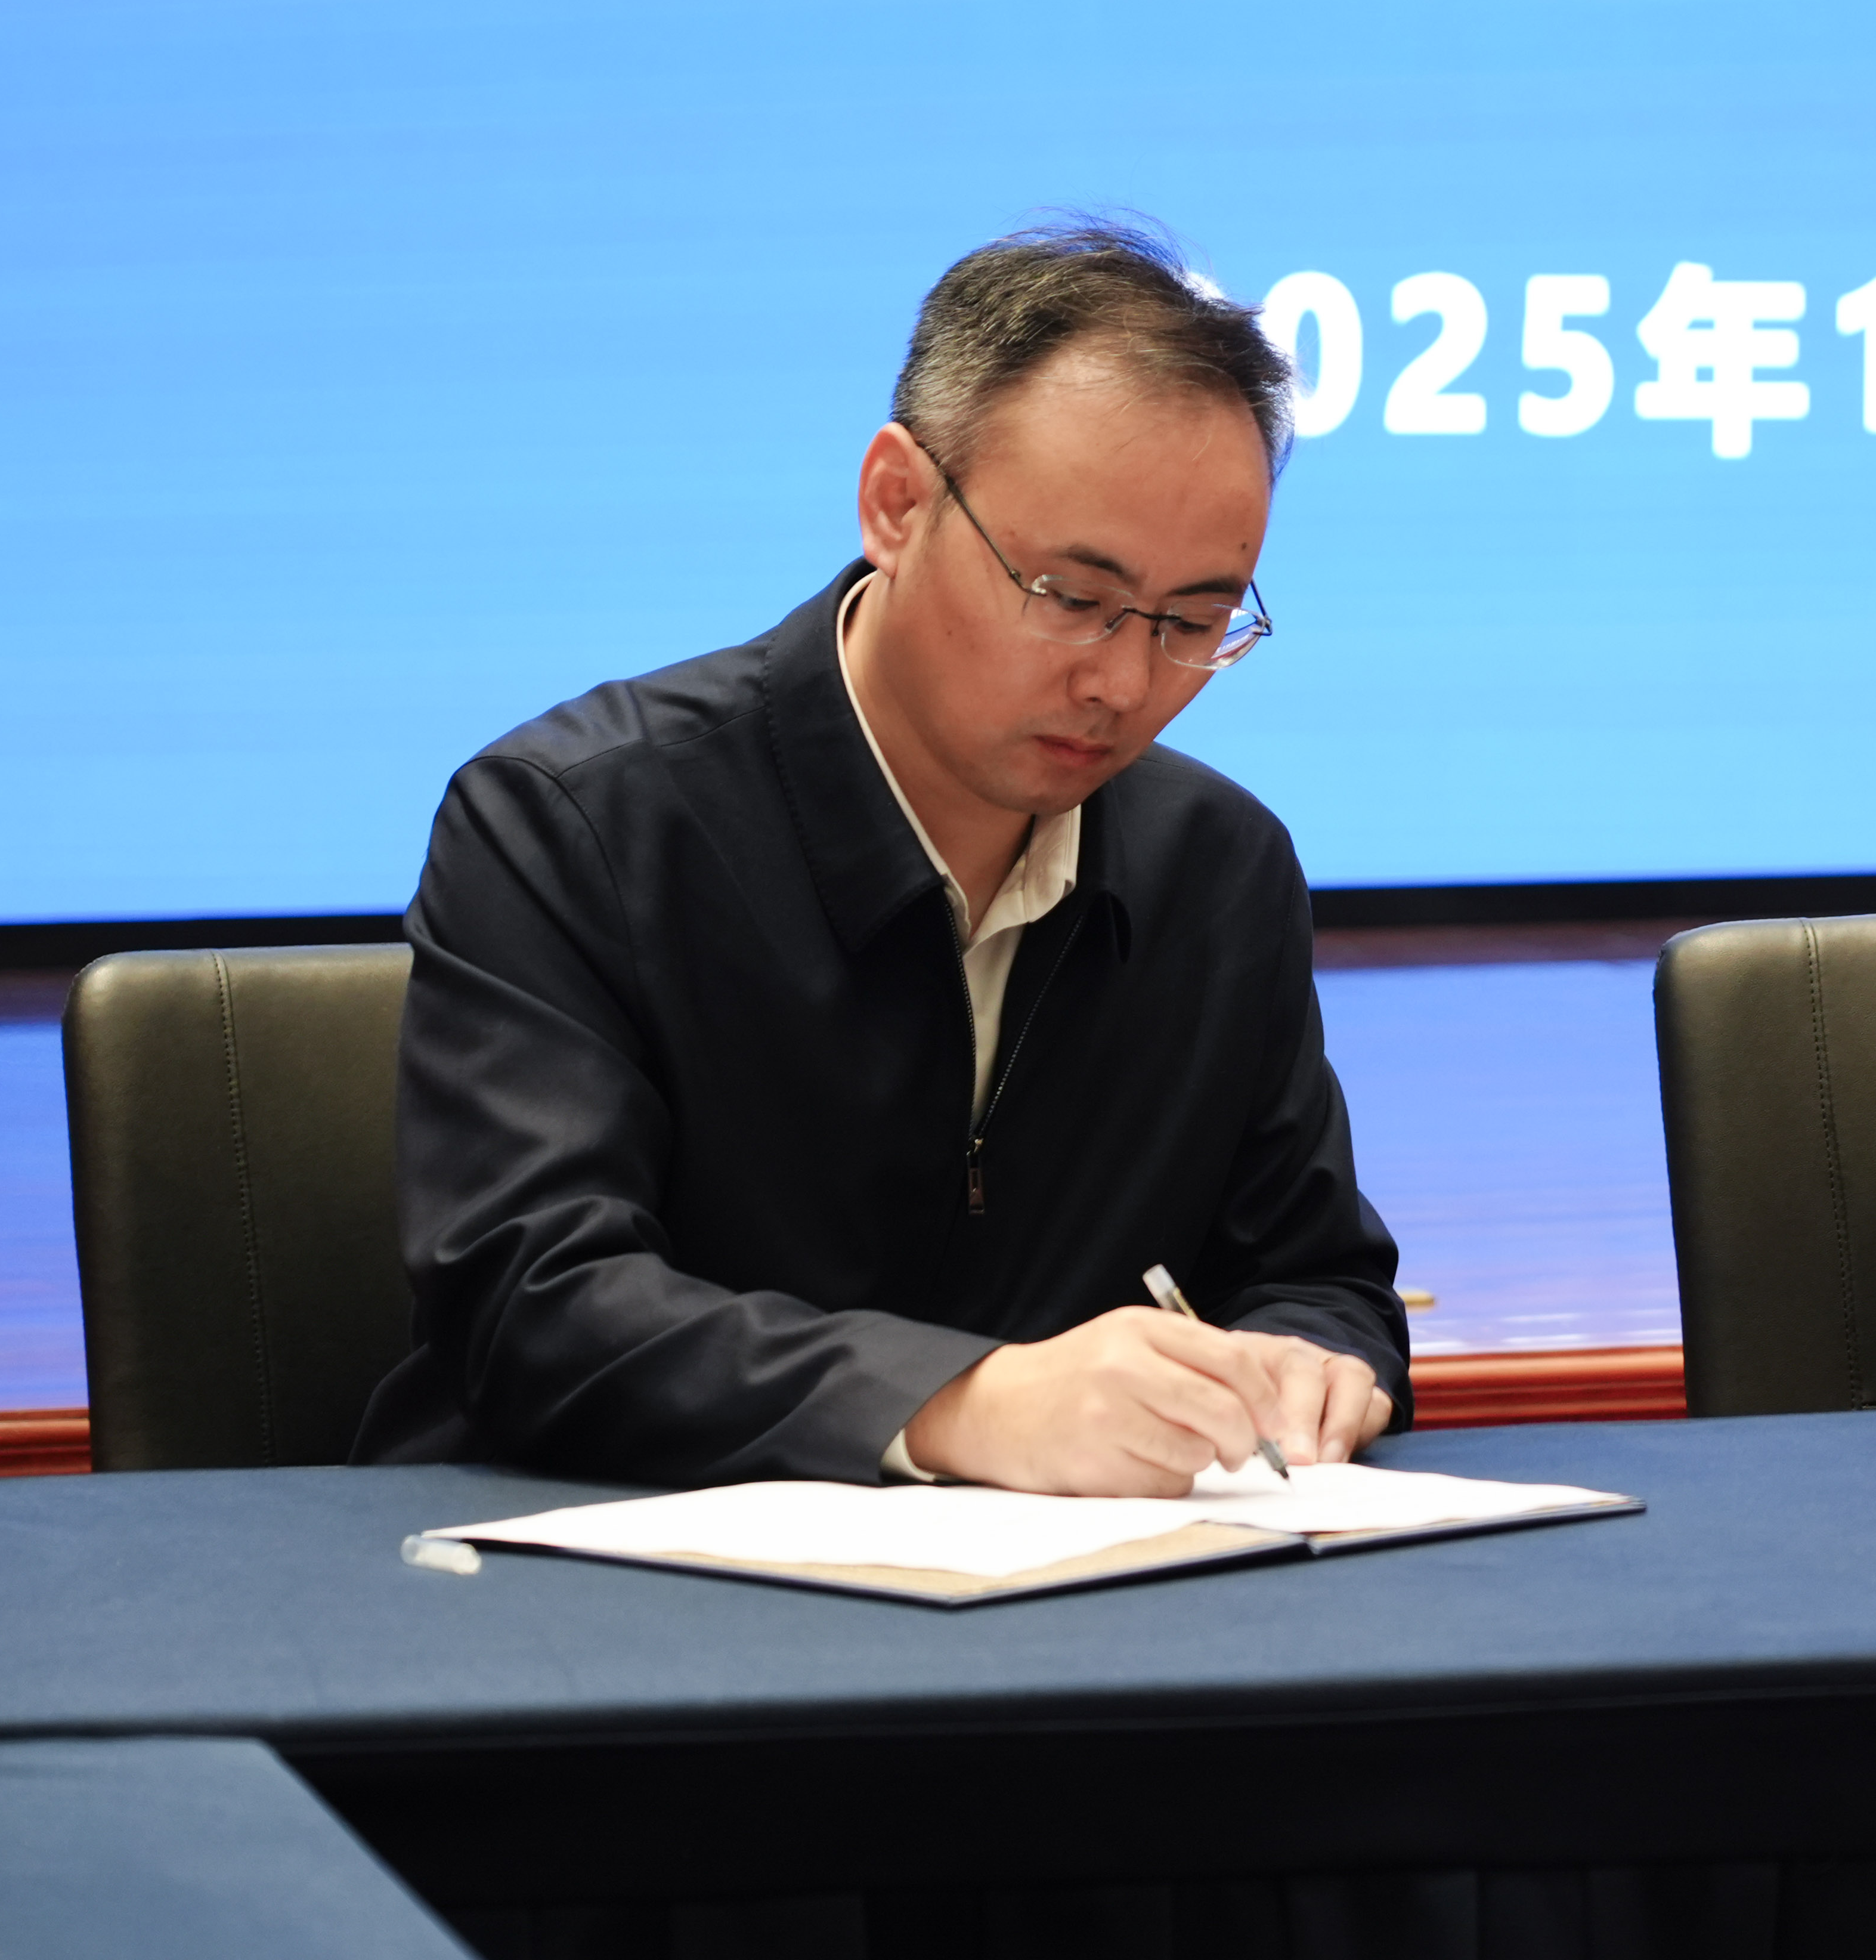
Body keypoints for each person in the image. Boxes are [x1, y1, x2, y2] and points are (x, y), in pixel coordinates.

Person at [354, 220, 1408, 1491]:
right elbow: (537, 1303)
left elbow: (1315, 1274)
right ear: (897, 504)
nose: (1126, 684)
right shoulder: (575, 826)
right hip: (596, 1573)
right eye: (1072, 598)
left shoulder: (1218, 867)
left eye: (1195, 620)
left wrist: (1311, 1364)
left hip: (1081, 1587)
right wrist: (962, 1405)